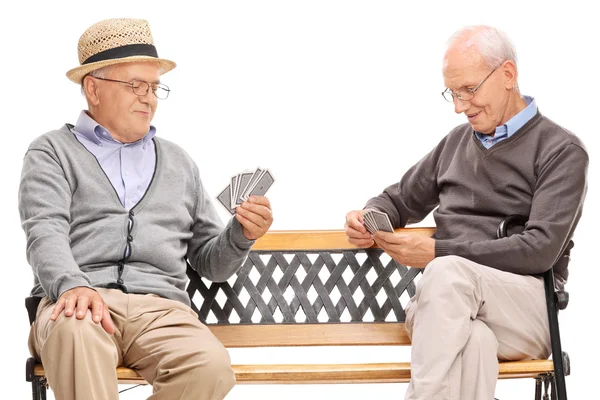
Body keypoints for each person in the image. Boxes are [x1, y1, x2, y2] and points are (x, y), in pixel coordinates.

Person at [18, 18, 273, 400]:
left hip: (161, 312)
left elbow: (212, 263)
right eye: (135, 85)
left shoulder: (178, 162)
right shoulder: (51, 152)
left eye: (154, 87)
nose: (148, 98)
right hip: (78, 301)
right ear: (93, 89)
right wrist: (72, 284)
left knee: (210, 367)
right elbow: (44, 232)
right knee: (75, 330)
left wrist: (241, 234)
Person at [344, 25, 588, 400]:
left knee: (447, 272)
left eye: (469, 90)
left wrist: (440, 253)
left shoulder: (561, 150)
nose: (460, 107)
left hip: (528, 310)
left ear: (508, 75)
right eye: (453, 94)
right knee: (472, 342)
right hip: (443, 311)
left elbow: (540, 248)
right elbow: (396, 201)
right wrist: (367, 216)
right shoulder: (456, 143)